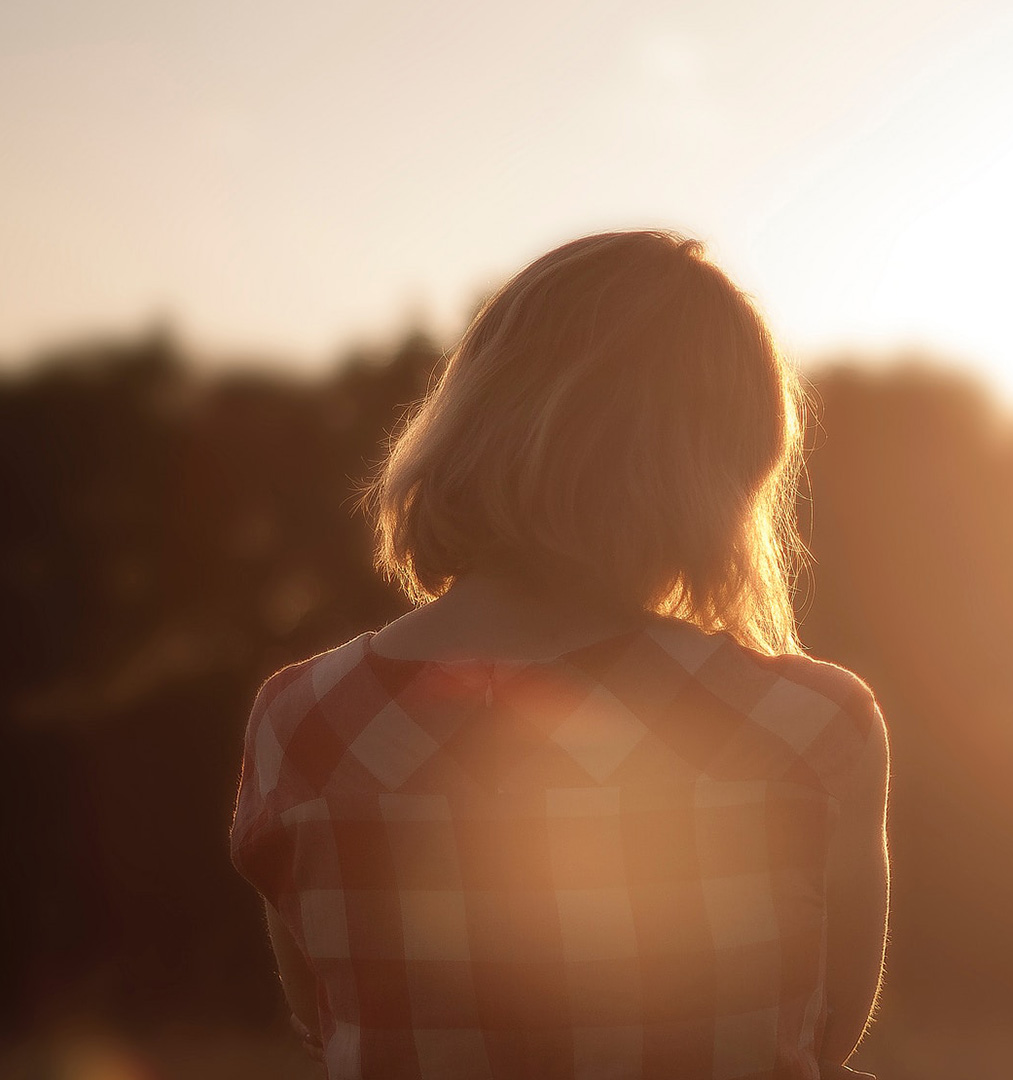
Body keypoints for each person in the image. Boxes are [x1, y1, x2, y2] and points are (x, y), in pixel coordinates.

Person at [228, 231, 890, 1080]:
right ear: (721, 470)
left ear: (473, 415)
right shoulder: (811, 724)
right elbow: (826, 1037)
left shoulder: (302, 721)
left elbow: (326, 1020)